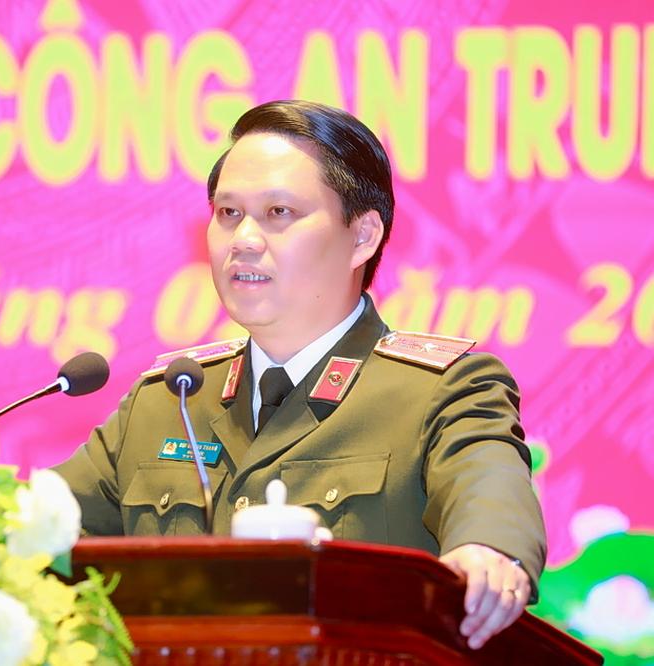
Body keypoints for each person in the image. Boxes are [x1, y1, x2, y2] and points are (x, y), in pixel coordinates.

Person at [53, 100, 546, 650]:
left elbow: (488, 490)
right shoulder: (168, 399)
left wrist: (490, 551)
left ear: (363, 237)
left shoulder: (440, 389)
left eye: (279, 213)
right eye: (228, 213)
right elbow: (38, 533)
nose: (243, 239)